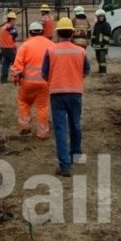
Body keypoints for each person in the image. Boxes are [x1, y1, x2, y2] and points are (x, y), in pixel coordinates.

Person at [42, 16, 91, 177]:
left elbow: (44, 74)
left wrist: (55, 80)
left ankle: (65, 166)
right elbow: (86, 71)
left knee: (61, 129)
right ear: (71, 33)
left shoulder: (51, 51)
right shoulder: (81, 51)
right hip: (75, 93)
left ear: (58, 34)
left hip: (57, 94)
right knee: (75, 124)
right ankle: (76, 155)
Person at [11, 21, 52, 139]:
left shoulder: (25, 46)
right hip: (45, 83)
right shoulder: (50, 44)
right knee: (42, 107)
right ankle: (43, 133)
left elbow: (17, 66)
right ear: (42, 31)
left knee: (24, 103)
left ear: (30, 32)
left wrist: (15, 78)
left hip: (27, 83)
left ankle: (25, 127)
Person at [0, 11, 19, 84]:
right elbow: (16, 34)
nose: (15, 21)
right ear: (11, 20)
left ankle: (3, 78)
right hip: (9, 48)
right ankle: (16, 77)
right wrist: (15, 28)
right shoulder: (10, 27)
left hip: (3, 48)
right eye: (14, 20)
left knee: (6, 63)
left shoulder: (4, 26)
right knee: (16, 62)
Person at [91, 9, 112, 74]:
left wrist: (103, 42)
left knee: (103, 59)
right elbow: (94, 34)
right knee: (98, 59)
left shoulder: (106, 24)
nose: (101, 17)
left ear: (104, 16)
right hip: (97, 45)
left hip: (104, 45)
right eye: (99, 16)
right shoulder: (96, 24)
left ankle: (103, 72)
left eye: (102, 16)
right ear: (97, 17)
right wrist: (93, 41)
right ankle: (100, 71)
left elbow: (108, 35)